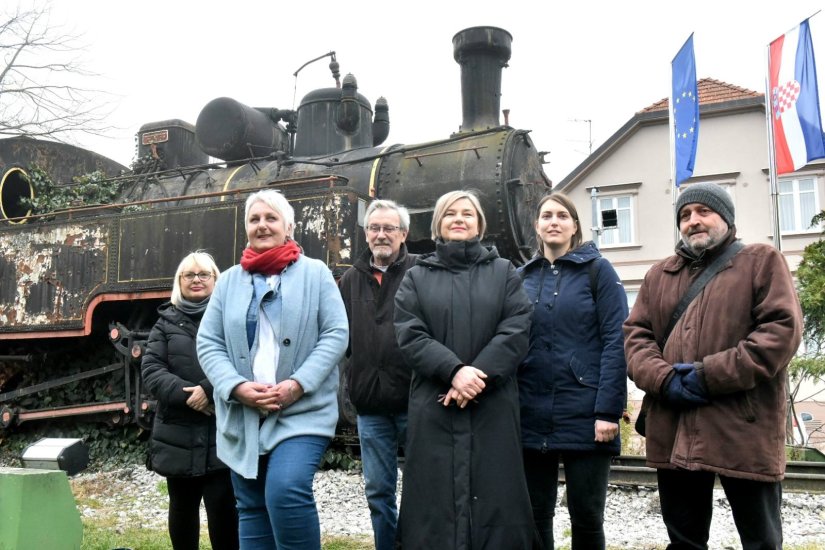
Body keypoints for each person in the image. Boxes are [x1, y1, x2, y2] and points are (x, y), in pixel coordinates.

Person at [624, 182, 802, 550]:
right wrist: (664, 379)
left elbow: (780, 333)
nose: (693, 221)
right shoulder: (659, 275)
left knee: (762, 541)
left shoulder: (761, 261)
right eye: (685, 215)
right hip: (674, 426)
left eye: (704, 211)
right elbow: (635, 339)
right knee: (684, 542)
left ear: (726, 218)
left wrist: (708, 376)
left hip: (743, 427)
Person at [197, 189, 348, 550]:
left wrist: (298, 384)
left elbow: (336, 333)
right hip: (243, 413)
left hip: (302, 411)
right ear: (246, 227)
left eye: (271, 218)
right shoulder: (229, 281)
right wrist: (235, 387)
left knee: (285, 490)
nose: (262, 225)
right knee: (250, 505)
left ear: (289, 227)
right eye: (254, 219)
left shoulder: (316, 273)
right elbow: (208, 342)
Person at [394, 189, 536, 549]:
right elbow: (410, 333)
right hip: (435, 406)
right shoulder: (416, 277)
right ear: (438, 225)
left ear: (479, 225)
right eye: (450, 213)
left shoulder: (504, 272)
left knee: (496, 496)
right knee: (433, 501)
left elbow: (517, 327)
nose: (459, 219)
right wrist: (454, 371)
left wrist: (477, 375)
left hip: (492, 407)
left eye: (467, 214)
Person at [518, 193, 628, 550]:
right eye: (546, 215)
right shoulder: (522, 278)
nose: (554, 221)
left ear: (575, 226)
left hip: (587, 413)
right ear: (536, 225)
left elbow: (617, 340)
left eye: (562, 215)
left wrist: (608, 410)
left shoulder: (598, 271)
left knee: (587, 518)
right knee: (535, 516)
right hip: (531, 413)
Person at [142, 251, 239, 550]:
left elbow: (242, 362)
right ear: (179, 282)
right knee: (182, 511)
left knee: (223, 510)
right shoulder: (163, 324)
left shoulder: (230, 319)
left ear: (215, 279)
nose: (196, 279)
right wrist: (190, 396)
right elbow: (152, 370)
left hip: (221, 430)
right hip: (177, 433)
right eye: (189, 275)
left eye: (203, 274)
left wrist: (208, 390)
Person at [338, 199, 416, 550]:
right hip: (370, 405)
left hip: (415, 401)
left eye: (389, 228)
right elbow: (339, 337)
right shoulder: (350, 280)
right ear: (366, 234)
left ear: (403, 233)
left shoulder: (420, 272)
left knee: (423, 486)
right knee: (378, 491)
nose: (381, 234)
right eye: (374, 228)